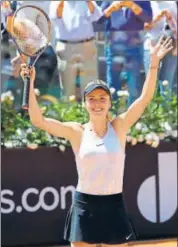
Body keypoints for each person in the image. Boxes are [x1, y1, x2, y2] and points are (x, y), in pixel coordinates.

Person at [20, 36, 173, 247]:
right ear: (84, 104)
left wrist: (154, 64)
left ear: (110, 102)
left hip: (113, 204)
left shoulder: (119, 126)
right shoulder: (77, 131)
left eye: (102, 98)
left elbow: (144, 99)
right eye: (92, 99)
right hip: (84, 205)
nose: (97, 103)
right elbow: (39, 120)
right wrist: (29, 84)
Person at [97, 1, 153, 105]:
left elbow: (148, 18)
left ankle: (132, 116)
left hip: (134, 46)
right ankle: (112, 114)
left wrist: (132, 5)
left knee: (134, 83)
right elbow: (98, 19)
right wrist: (111, 8)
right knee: (112, 83)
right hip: (113, 46)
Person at [49, 1, 103, 100]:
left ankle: (89, 112)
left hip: (87, 45)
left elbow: (97, 16)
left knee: (90, 84)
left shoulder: (87, 2)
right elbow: (56, 17)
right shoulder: (56, 2)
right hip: (66, 47)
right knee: (67, 85)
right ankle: (68, 113)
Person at [144, 1, 177, 96]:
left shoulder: (171, 3)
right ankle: (153, 109)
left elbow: (176, 25)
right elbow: (145, 27)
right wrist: (157, 18)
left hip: (170, 45)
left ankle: (164, 110)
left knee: (167, 81)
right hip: (152, 46)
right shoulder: (146, 4)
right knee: (151, 82)